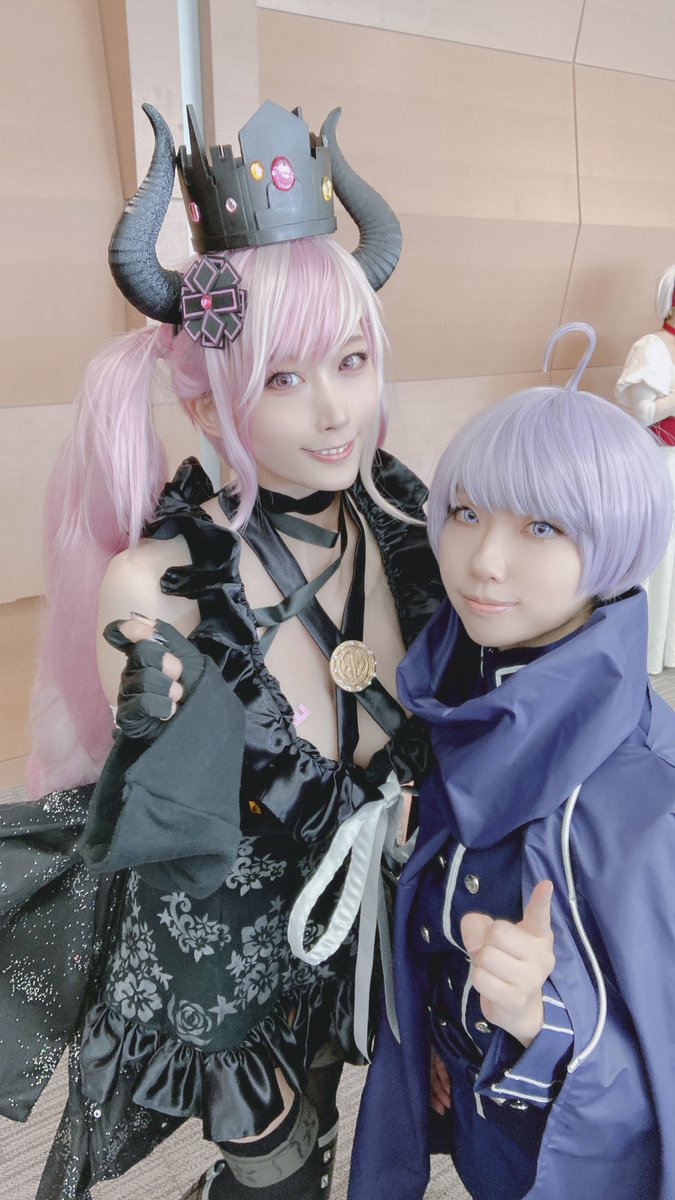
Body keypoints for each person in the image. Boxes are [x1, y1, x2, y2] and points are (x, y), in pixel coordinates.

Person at [0, 101, 443, 1200]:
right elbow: (162, 827)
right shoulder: (158, 584)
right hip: (222, 961)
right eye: (283, 379)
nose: (336, 413)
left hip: (356, 927)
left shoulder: (411, 529)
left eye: (351, 360)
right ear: (205, 407)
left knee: (331, 1134)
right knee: (277, 1172)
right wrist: (158, 728)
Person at [348, 323, 675, 1200]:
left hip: (560, 1149)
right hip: (474, 1101)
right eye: (465, 514)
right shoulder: (462, 693)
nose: (482, 562)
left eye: (540, 526)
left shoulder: (645, 793)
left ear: (615, 545)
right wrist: (440, 1030)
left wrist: (536, 1018)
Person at [615, 263, 675, 673]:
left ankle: (668, 649)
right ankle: (641, 653)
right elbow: (643, 412)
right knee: (659, 554)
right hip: (660, 462)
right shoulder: (651, 347)